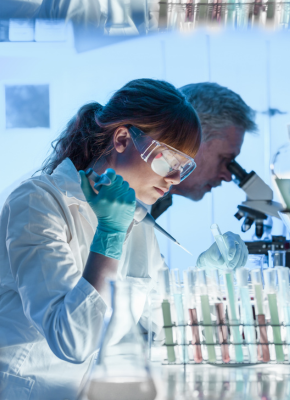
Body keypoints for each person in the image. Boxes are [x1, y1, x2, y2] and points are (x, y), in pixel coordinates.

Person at [0, 79, 246, 399]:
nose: (173, 179)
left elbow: (163, 323)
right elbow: (72, 341)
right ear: (121, 139)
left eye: (183, 169)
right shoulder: (39, 203)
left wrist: (204, 278)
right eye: (168, 161)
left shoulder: (138, 221)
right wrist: (110, 235)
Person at [150, 82, 258, 219]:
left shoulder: (158, 200)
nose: (228, 177)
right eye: (224, 159)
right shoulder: (124, 195)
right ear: (189, 138)